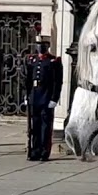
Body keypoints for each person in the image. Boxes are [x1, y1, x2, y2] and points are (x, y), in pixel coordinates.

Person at [23, 34, 63, 162]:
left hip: (46, 96)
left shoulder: (53, 61)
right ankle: (34, 150)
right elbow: (27, 80)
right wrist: (27, 95)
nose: (40, 48)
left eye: (43, 45)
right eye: (38, 45)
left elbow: (57, 82)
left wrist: (54, 98)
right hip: (34, 96)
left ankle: (44, 152)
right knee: (34, 126)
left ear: (48, 46)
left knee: (45, 126)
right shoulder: (32, 60)